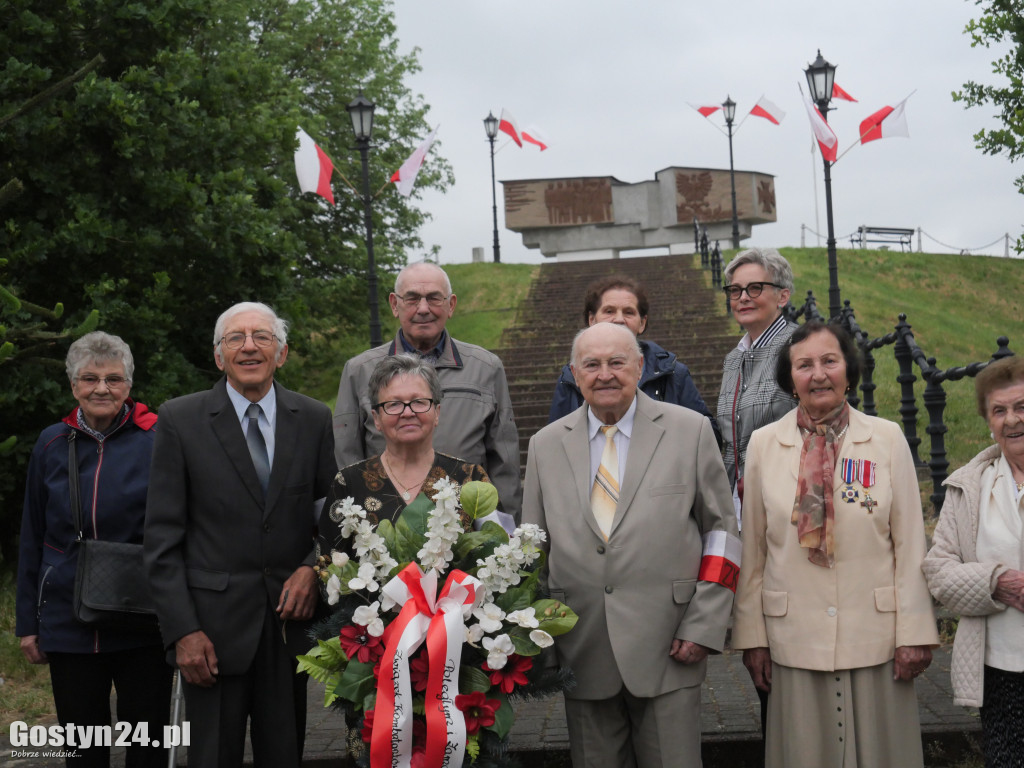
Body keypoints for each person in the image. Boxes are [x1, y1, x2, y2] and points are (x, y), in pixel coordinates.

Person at [522, 322, 739, 768]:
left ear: (639, 367)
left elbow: (722, 535)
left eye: (617, 362)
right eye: (592, 364)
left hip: (670, 643)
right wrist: (542, 639)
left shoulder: (691, 431)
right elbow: (532, 549)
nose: (605, 374)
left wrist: (704, 624)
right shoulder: (545, 445)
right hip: (579, 645)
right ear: (573, 374)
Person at [732, 320, 939, 768]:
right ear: (790, 378)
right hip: (793, 637)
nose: (818, 374)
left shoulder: (885, 439)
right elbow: (753, 552)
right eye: (804, 365)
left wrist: (916, 632)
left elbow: (909, 545)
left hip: (877, 637)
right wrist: (753, 638)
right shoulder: (764, 445)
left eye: (830, 361)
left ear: (849, 370)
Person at [144, 302, 336, 768]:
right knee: (211, 757)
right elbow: (162, 539)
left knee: (284, 755)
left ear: (282, 352)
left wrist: (313, 568)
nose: (249, 346)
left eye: (262, 337)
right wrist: (183, 632)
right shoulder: (179, 421)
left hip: (288, 625)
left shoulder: (312, 418)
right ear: (218, 356)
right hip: (209, 634)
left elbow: (335, 517)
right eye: (235, 338)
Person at [16, 331, 171, 768]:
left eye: (113, 379)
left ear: (129, 385)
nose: (102, 388)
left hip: (142, 616)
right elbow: (32, 535)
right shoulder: (50, 444)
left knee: (149, 746)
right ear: (73, 386)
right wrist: (29, 622)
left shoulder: (158, 440)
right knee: (82, 749)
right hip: (68, 619)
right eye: (89, 378)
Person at [333, 261, 522, 518]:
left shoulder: (486, 368)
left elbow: (505, 460)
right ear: (394, 305)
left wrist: (504, 528)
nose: (423, 309)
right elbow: (347, 457)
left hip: (466, 526)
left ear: (451, 305)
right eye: (412, 299)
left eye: (434, 298)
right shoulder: (359, 371)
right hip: (386, 525)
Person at [923, 355, 1024, 768]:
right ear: (988, 421)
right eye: (999, 411)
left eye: (1021, 407)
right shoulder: (969, 486)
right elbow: (939, 570)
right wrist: (995, 581)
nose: (1012, 420)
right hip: (999, 669)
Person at [319, 353, 513, 561]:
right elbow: (328, 567)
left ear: (437, 412)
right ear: (376, 418)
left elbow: (500, 557)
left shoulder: (470, 479)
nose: (407, 412)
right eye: (393, 404)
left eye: (419, 402)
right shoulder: (348, 484)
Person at [547, 274, 721, 444]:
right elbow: (556, 441)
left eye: (629, 312)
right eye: (609, 311)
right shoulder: (570, 378)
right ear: (592, 319)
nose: (619, 319)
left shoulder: (673, 372)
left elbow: (708, 436)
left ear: (642, 323)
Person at [717, 248, 798, 525]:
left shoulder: (798, 347)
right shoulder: (733, 358)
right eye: (735, 290)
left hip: (788, 502)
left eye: (755, 289)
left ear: (782, 296)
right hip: (739, 508)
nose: (743, 298)